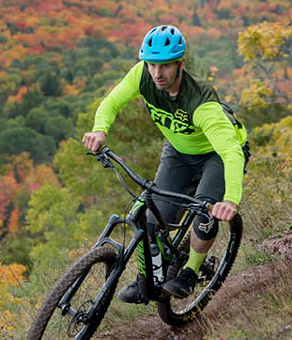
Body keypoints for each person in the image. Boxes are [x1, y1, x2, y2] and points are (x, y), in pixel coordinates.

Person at [82, 24, 248, 301]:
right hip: (179, 151)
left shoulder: (201, 102)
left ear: (180, 64)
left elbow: (231, 152)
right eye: (152, 65)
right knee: (152, 218)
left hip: (215, 155)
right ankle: (148, 279)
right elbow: (111, 103)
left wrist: (230, 199)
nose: (157, 74)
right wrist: (100, 129)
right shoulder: (142, 76)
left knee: (204, 216)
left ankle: (191, 272)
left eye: (166, 66)